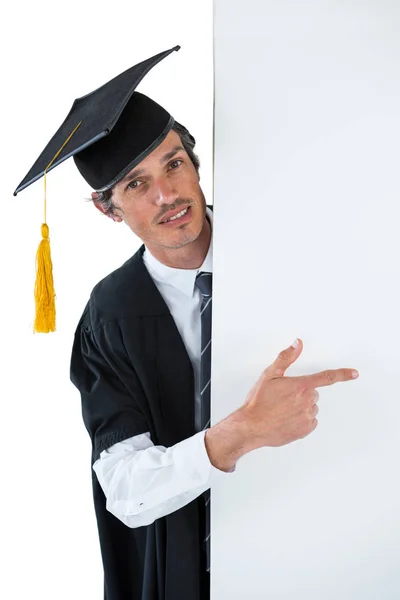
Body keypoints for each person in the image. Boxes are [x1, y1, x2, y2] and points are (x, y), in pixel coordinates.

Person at [14, 46, 359, 600]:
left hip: (322, 544)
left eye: (174, 164)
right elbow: (125, 490)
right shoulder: (110, 316)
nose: (167, 195)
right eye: (135, 184)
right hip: (184, 567)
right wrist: (240, 432)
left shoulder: (287, 254)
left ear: (195, 164)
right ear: (110, 210)